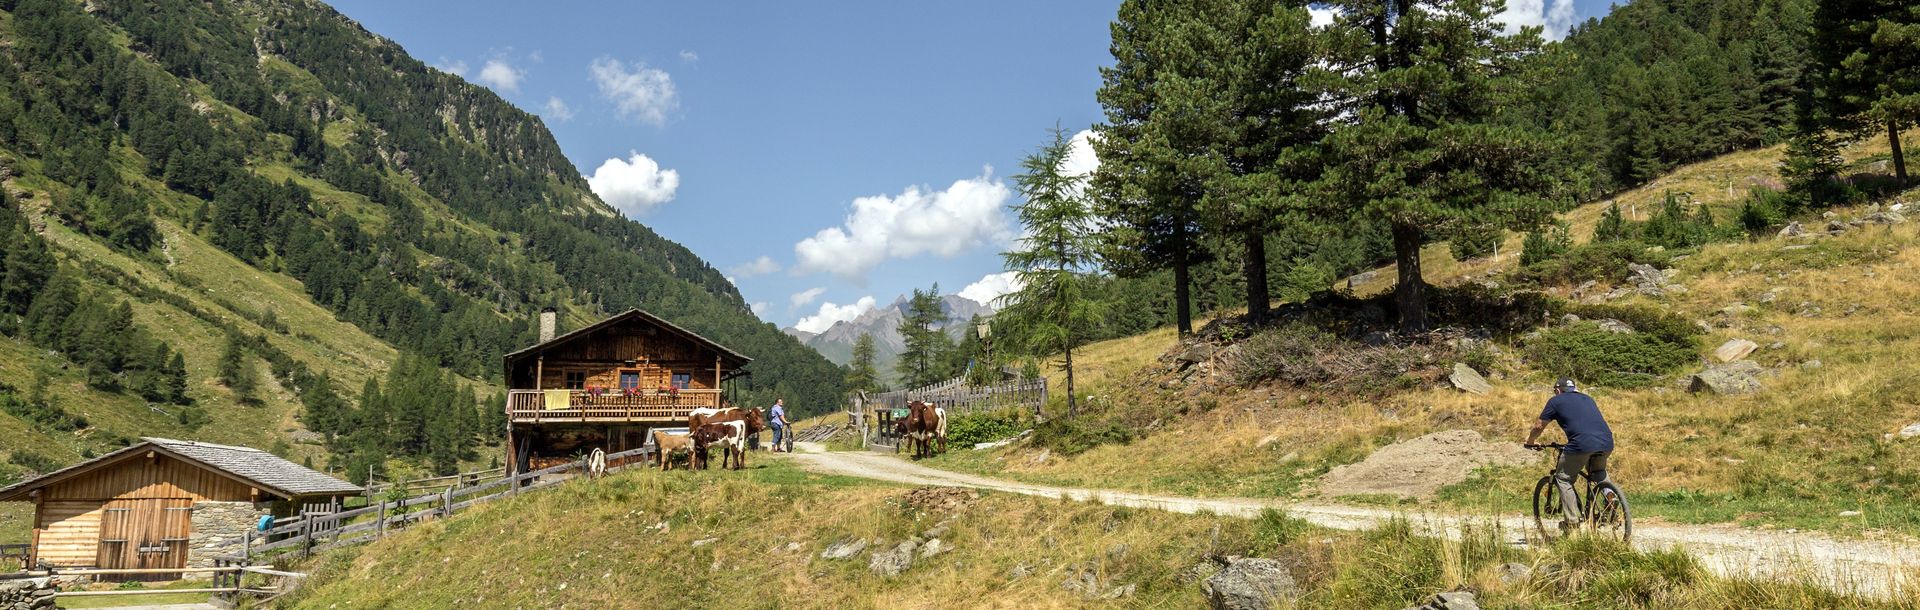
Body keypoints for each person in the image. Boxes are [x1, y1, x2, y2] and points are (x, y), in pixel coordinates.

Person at [1525, 377, 1615, 531]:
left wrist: (1531, 441)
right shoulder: (1588, 399)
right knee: (1598, 472)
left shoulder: (1555, 401)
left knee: (1563, 479)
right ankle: (1611, 496)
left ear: (1558, 390)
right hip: (1606, 442)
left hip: (1581, 444)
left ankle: (1572, 522)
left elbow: (1539, 426)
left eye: (1555, 391)